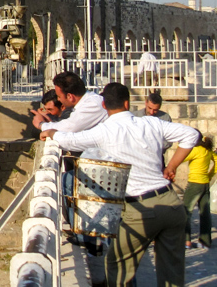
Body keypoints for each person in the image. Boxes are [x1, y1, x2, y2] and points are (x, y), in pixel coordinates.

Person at [41, 82, 199, 287]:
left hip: (140, 208)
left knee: (118, 265)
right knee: (172, 273)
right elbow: (192, 135)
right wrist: (171, 167)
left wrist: (51, 133)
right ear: (127, 102)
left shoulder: (104, 131)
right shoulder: (150, 123)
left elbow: (71, 140)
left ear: (104, 106)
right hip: (170, 202)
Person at [32, 72, 106, 133]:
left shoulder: (93, 104)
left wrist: (41, 124)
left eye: (59, 96)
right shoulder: (86, 103)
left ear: (70, 97)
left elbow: (70, 127)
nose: (58, 99)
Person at [182, 132, 215, 249]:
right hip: (205, 183)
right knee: (205, 213)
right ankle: (205, 242)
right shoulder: (208, 150)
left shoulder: (196, 150)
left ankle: (186, 241)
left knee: (185, 212)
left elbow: (180, 157)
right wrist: (210, 175)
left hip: (194, 184)